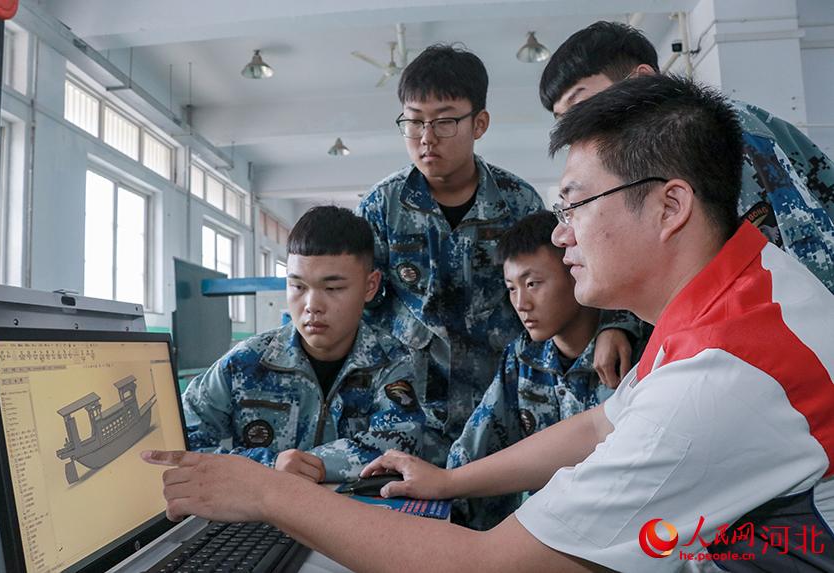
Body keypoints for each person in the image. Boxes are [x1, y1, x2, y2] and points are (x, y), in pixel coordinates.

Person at [145, 75, 834, 572]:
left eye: (575, 206)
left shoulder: (713, 383)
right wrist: (449, 481)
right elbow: (600, 425)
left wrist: (268, 494)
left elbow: (484, 564)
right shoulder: (745, 287)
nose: (559, 236)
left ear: (670, 206)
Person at [356, 44, 637, 465]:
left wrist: (617, 323)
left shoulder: (517, 201)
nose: (427, 138)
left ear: (479, 123)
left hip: (505, 405)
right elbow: (361, 309)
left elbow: (582, 267)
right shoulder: (381, 207)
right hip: (411, 413)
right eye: (413, 122)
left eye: (445, 121)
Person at [540, 20, 834, 389]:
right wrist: (620, 323)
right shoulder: (648, 157)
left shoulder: (727, 134)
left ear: (642, 79)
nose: (578, 128)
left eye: (581, 104)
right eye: (563, 120)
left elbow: (807, 252)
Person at [181, 205, 425, 483]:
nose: (312, 306)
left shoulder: (391, 362)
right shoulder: (247, 362)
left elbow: (399, 444)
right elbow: (183, 439)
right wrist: (269, 464)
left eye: (333, 288)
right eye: (298, 286)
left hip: (351, 509)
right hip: (259, 508)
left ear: (370, 286)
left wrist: (314, 465)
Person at [448, 210, 645, 530]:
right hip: (548, 531)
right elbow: (475, 448)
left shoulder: (634, 351)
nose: (521, 303)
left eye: (532, 284)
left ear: (576, 270)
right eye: (511, 288)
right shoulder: (522, 356)